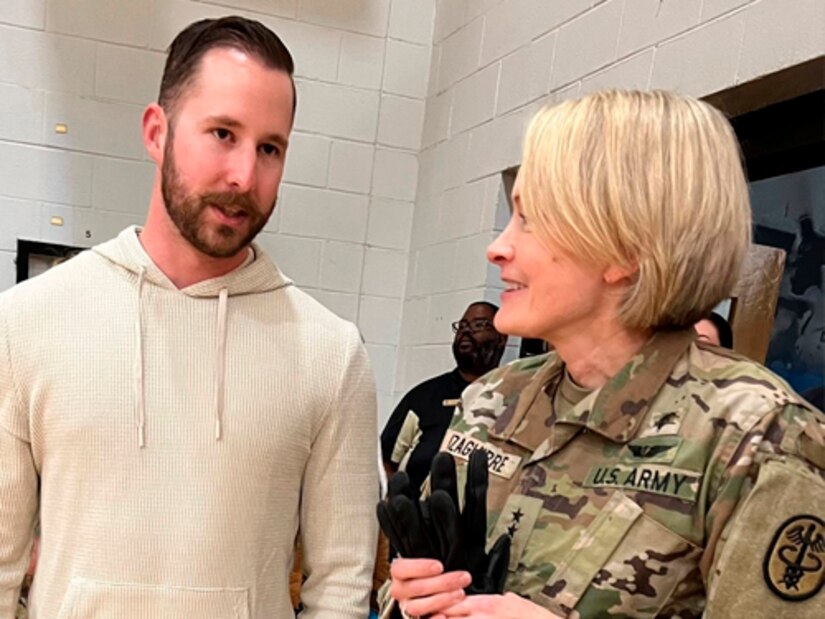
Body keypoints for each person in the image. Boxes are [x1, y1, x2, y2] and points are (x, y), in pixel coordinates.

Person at [382, 90, 825, 618]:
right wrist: (412, 599)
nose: (498, 246)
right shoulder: (491, 401)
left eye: (530, 219)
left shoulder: (757, 436)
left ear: (624, 248)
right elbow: (407, 589)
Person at [0, 16, 378, 618]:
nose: (244, 177)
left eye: (270, 148)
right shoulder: (28, 322)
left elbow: (340, 587)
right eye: (223, 133)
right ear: (157, 132)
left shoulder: (331, 354)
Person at [381, 302, 507, 494]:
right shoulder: (423, 397)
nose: (467, 331)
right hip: (415, 519)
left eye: (479, 325)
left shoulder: (517, 398)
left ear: (502, 338)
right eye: (462, 326)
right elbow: (385, 461)